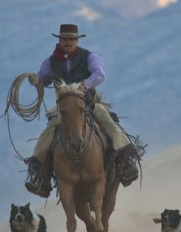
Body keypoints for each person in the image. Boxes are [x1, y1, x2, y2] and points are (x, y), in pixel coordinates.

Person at [23, 23, 140, 197]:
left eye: (71, 39)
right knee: (49, 131)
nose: (68, 42)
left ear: (77, 41)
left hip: (88, 103)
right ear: (60, 40)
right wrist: (36, 79)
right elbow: (44, 78)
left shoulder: (89, 57)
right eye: (65, 39)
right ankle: (39, 175)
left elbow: (99, 74)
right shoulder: (50, 62)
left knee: (106, 120)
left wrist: (83, 85)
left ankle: (125, 160)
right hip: (64, 108)